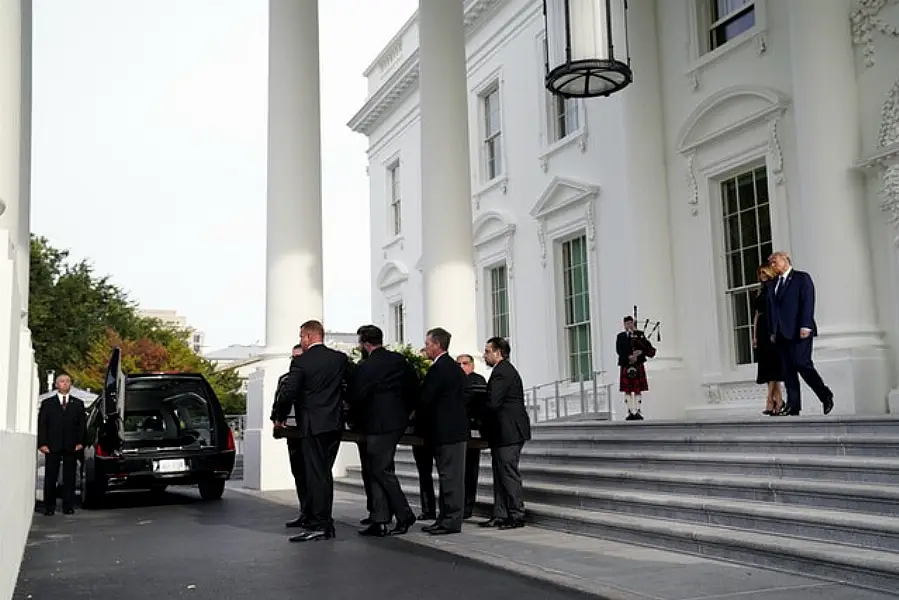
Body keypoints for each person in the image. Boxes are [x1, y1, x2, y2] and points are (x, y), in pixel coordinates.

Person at [275, 320, 353, 542]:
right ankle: (324, 523)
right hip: (334, 424)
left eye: (301, 336)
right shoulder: (339, 359)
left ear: (309, 337)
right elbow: (353, 384)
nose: (301, 340)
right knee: (324, 473)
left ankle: (319, 524)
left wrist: (280, 418)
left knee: (316, 474)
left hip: (311, 425)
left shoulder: (301, 362)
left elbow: (288, 393)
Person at [350, 325, 420, 537]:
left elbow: (358, 397)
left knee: (380, 470)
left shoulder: (366, 367)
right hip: (396, 422)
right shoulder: (399, 361)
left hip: (376, 424)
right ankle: (379, 519)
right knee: (377, 468)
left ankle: (404, 513)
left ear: (365, 343)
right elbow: (414, 388)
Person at [767, 251, 834, 416]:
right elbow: (772, 309)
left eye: (775, 262)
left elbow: (808, 301)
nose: (772, 266)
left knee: (802, 364)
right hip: (781, 333)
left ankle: (825, 394)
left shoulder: (801, 278)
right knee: (788, 371)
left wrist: (806, 325)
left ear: (785, 260)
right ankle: (793, 406)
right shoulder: (773, 283)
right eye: (771, 263)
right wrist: (772, 330)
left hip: (799, 330)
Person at [419, 327, 469, 535]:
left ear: (437, 344)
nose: (426, 348)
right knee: (447, 476)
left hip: (449, 432)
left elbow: (426, 398)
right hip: (449, 431)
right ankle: (444, 517)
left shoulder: (442, 369)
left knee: (451, 478)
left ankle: (451, 520)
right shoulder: (451, 368)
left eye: (428, 344)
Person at [479, 338, 531, 530]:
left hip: (508, 431)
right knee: (500, 473)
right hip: (503, 432)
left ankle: (516, 514)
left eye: (487, 351)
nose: (484, 355)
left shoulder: (502, 372)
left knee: (508, 474)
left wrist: (478, 416)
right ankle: (500, 514)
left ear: (498, 353)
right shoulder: (503, 371)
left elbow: (493, 403)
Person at [38, 374, 87, 516]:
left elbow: (81, 425)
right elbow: (42, 424)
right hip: (52, 445)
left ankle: (68, 506)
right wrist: (42, 443)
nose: (65, 384)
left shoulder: (78, 403)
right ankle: (49, 507)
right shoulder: (48, 403)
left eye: (68, 381)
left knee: (69, 477)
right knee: (51, 476)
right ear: (56, 385)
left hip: (71, 445)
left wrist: (80, 442)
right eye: (62, 381)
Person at [270, 344, 308, 527]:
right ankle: (304, 511)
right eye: (293, 357)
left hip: (308, 429)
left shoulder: (311, 378)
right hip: (291, 429)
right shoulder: (285, 379)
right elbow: (279, 400)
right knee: (299, 473)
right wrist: (276, 420)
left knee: (312, 474)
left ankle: (316, 513)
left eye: (298, 357)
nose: (295, 360)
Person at [457, 354, 486, 519]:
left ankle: (468, 506)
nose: (462, 366)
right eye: (459, 363)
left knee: (471, 470)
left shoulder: (477, 380)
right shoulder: (456, 380)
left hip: (473, 430)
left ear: (472, 365)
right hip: (459, 429)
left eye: (465, 363)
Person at [752, 265, 784, 416]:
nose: (761, 275)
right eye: (759, 273)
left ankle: (770, 400)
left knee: (772, 366)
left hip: (771, 328)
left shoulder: (774, 287)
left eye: (764, 272)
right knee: (765, 365)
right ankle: (779, 400)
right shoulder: (759, 291)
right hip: (761, 328)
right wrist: (754, 335)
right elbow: (757, 315)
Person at [616, 316, 656, 420]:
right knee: (627, 389)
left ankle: (638, 411)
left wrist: (640, 352)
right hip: (626, 364)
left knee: (638, 389)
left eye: (631, 323)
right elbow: (619, 350)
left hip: (638, 364)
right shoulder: (620, 336)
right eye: (627, 323)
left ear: (633, 324)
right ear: (624, 325)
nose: (629, 325)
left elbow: (648, 348)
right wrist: (629, 356)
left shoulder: (640, 335)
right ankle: (630, 412)